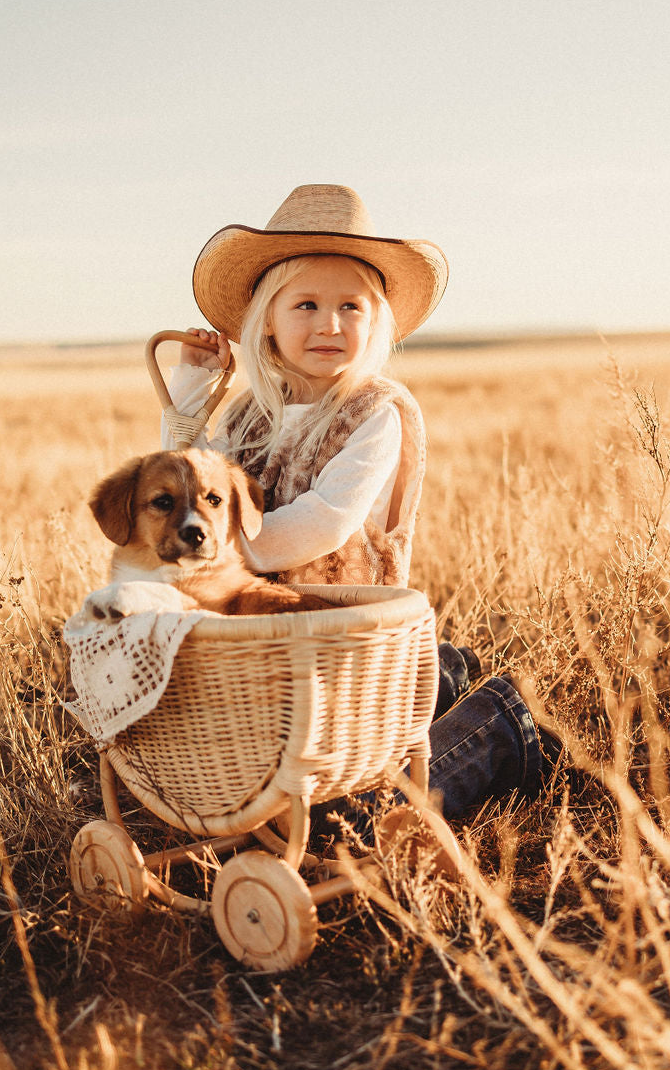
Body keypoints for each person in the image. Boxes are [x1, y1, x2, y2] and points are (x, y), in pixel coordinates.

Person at [159, 184, 546, 823]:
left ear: (376, 320)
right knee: (273, 769)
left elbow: (325, 521)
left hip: (346, 633)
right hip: (271, 640)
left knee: (345, 812)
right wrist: (192, 391)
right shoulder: (249, 418)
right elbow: (188, 490)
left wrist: (223, 549)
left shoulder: (375, 413)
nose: (330, 324)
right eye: (306, 304)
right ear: (266, 319)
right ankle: (441, 675)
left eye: (352, 306)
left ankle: (497, 722)